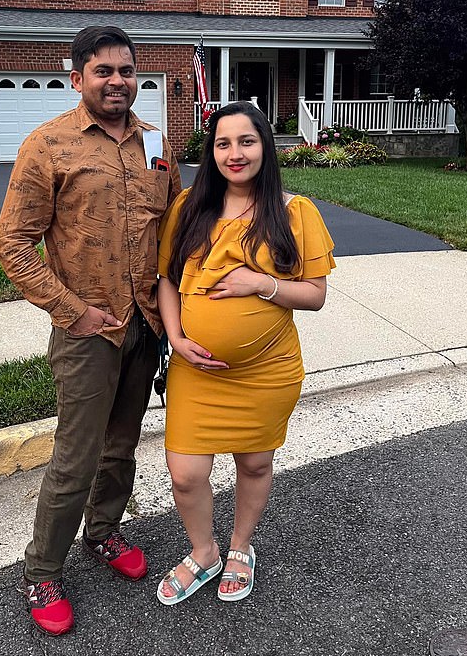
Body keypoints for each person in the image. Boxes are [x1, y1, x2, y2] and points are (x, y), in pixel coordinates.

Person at [0, 25, 181, 635]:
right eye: (104, 71)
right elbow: (13, 244)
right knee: (76, 457)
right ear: (77, 77)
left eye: (126, 70)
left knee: (122, 446)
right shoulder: (48, 145)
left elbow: (173, 235)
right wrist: (72, 310)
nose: (118, 81)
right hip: (86, 332)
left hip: (145, 327)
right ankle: (42, 570)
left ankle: (103, 532)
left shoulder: (155, 147)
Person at [155, 101, 335, 605]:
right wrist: (176, 339)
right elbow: (166, 280)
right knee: (186, 473)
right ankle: (204, 552)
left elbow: (316, 294)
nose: (235, 153)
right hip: (196, 370)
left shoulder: (295, 211)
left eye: (247, 141)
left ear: (265, 147)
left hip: (267, 373)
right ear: (211, 152)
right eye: (223, 143)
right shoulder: (189, 207)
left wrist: (261, 284)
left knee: (254, 465)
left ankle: (239, 548)